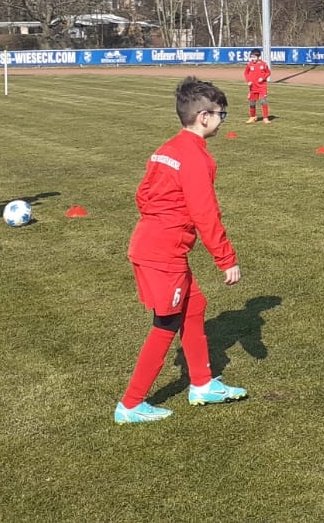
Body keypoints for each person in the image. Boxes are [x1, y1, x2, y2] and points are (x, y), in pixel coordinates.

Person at [115, 77, 246, 424]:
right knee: (166, 323)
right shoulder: (196, 158)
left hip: (149, 241)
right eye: (220, 114)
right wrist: (226, 259)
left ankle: (202, 384)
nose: (221, 121)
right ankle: (130, 405)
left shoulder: (166, 149)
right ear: (204, 117)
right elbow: (206, 213)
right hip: (163, 252)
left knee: (194, 305)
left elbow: (142, 194)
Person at [243, 48, 272, 124]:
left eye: (254, 57)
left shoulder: (263, 64)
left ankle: (265, 118)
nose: (253, 59)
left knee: (263, 101)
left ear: (258, 57)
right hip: (253, 87)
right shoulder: (249, 64)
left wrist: (263, 78)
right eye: (252, 57)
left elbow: (268, 73)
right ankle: (253, 117)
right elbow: (246, 73)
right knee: (252, 102)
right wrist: (248, 81)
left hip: (262, 86)